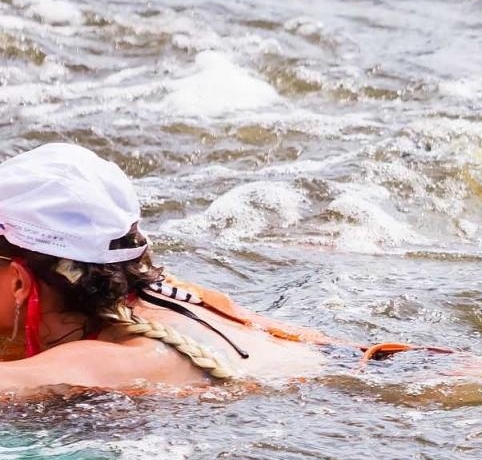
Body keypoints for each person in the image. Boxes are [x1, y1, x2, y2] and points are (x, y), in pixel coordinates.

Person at [0, 142, 427, 399]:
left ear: (20, 281)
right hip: (406, 371)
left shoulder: (107, 362)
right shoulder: (170, 298)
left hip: (365, 408)